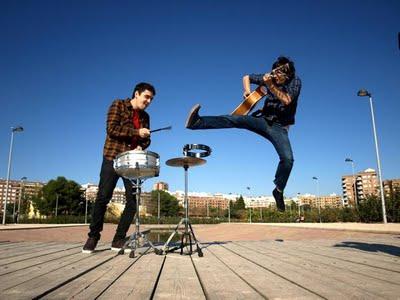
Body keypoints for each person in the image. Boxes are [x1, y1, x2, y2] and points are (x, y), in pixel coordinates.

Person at [185, 56, 301, 211]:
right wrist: (247, 92)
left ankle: (278, 190)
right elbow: (246, 77)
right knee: (236, 119)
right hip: (263, 120)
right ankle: (197, 122)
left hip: (279, 128)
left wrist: (271, 86)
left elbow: (287, 100)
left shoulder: (295, 81)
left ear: (287, 75)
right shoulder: (270, 76)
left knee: (288, 159)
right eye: (276, 77)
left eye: (282, 78)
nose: (278, 79)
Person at [82, 82, 155, 253]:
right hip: (112, 157)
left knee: (133, 201)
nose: (149, 101)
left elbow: (146, 140)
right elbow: (112, 129)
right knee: (103, 197)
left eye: (151, 99)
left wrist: (142, 144)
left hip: (132, 162)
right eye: (147, 96)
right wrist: (137, 133)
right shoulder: (118, 105)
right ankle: (93, 236)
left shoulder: (146, 117)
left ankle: (118, 239)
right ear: (136, 94)